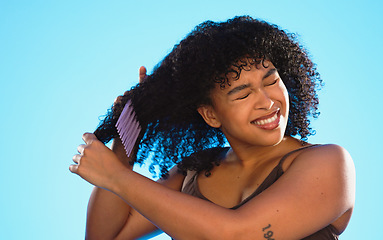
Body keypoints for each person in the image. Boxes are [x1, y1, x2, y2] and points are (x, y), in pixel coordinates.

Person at [70, 16, 355, 240]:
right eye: (243, 94)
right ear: (210, 114)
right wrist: (126, 138)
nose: (268, 102)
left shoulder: (328, 163)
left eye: (271, 81)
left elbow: (238, 235)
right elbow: (104, 236)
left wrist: (116, 177)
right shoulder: (192, 173)